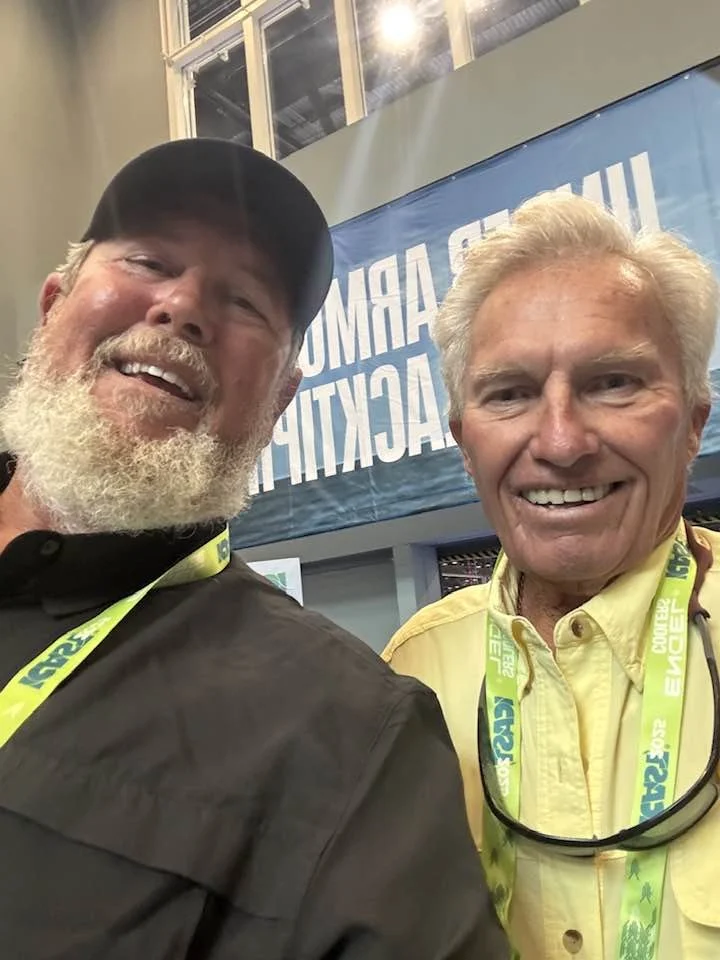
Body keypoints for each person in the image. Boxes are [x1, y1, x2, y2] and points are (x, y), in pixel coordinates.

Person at [0, 138, 508, 959]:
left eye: (244, 302)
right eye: (148, 258)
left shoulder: (348, 738)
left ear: (280, 401)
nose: (183, 306)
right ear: (54, 303)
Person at [384, 192, 720, 959]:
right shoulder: (409, 675)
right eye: (511, 394)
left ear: (694, 422)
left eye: (614, 382)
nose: (562, 442)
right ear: (466, 443)